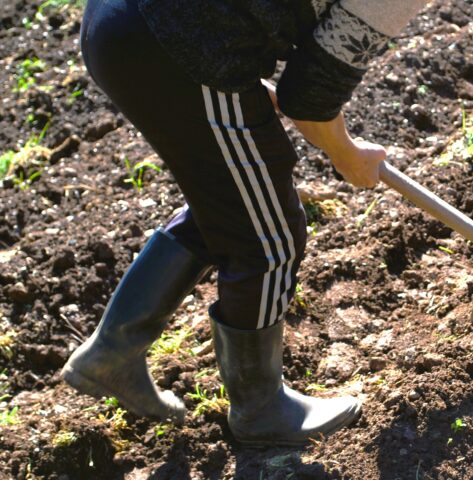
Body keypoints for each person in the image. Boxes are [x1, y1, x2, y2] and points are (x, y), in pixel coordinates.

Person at [61, 0, 428, 446]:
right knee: (268, 238)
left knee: (236, 202)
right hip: (181, 43)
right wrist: (348, 155)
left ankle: (111, 354)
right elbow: (310, 99)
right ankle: (261, 408)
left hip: (121, 20)